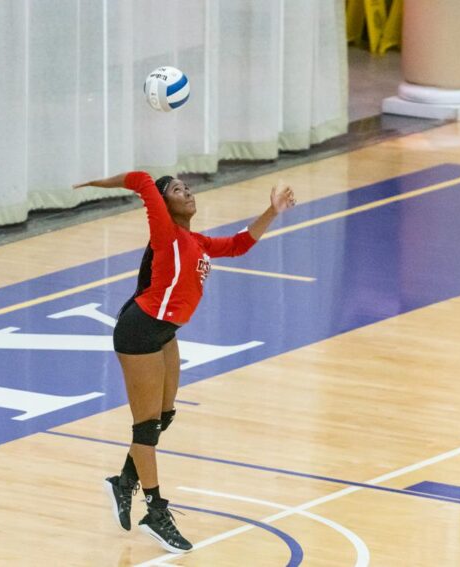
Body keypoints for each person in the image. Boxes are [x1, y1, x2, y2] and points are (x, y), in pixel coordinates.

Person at [72, 171, 297, 553]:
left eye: (187, 187)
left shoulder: (195, 241)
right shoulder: (165, 233)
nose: (187, 191)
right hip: (140, 331)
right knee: (145, 429)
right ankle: (155, 512)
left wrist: (271, 210)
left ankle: (123, 481)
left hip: (164, 333)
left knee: (164, 416)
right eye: (177, 190)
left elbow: (241, 244)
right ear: (165, 204)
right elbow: (142, 179)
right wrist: (93, 183)